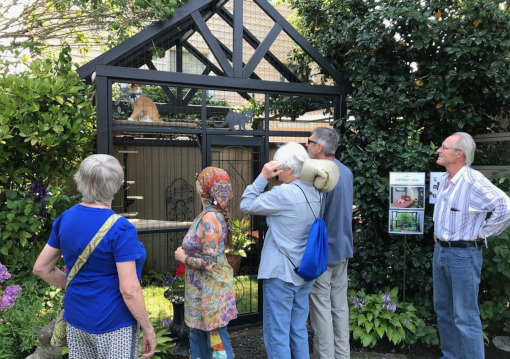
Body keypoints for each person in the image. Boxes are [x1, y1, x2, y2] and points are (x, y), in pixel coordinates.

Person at [33, 154, 156, 358]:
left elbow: (41, 268)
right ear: (117, 185)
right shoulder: (121, 228)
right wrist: (148, 329)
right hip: (114, 322)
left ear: (81, 180)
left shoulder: (66, 218)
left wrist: (76, 284)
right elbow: (130, 290)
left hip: (76, 319)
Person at [240, 142, 321, 359]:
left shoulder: (284, 194)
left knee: (277, 334)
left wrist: (262, 177)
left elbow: (246, 204)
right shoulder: (316, 192)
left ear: (290, 169)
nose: (277, 173)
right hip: (304, 272)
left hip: (281, 274)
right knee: (298, 330)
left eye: (279, 169)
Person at [433, 132, 510, 359]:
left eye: (444, 148)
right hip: (441, 252)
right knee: (444, 312)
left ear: (459, 154)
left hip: (463, 255)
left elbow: (505, 206)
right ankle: (451, 356)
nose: (438, 150)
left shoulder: (472, 180)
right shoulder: (443, 180)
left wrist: (482, 232)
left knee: (465, 316)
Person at [174, 167, 238, 359]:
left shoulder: (209, 219)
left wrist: (183, 257)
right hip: (203, 291)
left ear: (204, 188)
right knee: (199, 335)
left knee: (215, 338)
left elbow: (209, 263)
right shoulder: (212, 214)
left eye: (199, 180)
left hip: (209, 292)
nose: (196, 182)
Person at [306, 127, 353, 359]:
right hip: (342, 249)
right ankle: (343, 356)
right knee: (339, 308)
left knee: (321, 310)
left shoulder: (320, 173)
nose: (306, 145)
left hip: (322, 253)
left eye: (309, 141)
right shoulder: (346, 172)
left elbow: (313, 215)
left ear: (319, 147)